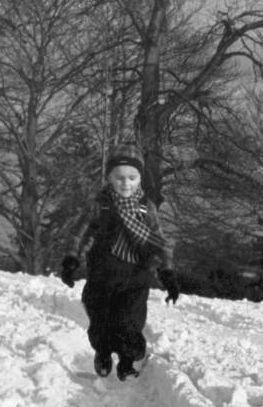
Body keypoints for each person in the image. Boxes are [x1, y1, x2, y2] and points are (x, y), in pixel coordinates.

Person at [59, 143, 180, 380]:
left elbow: (159, 242)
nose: (126, 183)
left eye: (132, 178)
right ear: (110, 177)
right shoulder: (100, 204)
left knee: (129, 322)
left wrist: (168, 274)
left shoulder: (146, 208)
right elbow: (81, 233)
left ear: (140, 179)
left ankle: (126, 360)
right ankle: (103, 352)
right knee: (101, 320)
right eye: (120, 177)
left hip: (135, 277)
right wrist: (71, 259)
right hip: (101, 275)